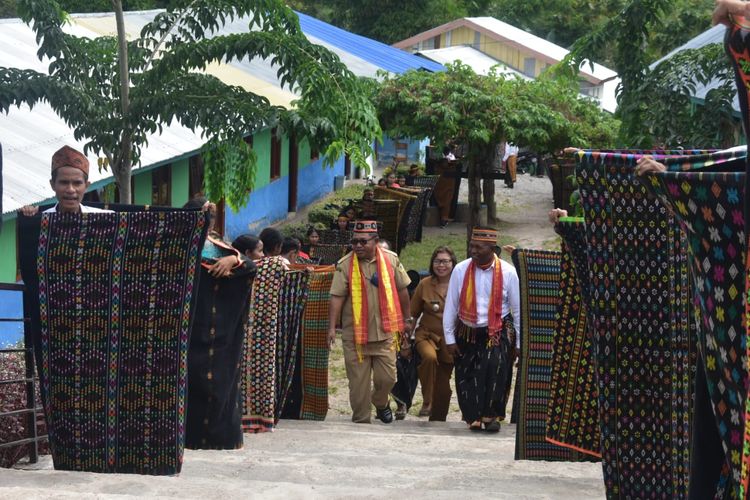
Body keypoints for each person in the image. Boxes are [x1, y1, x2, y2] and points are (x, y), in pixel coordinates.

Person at [184, 196, 257, 449]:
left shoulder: (217, 248)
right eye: (203, 217)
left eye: (210, 218)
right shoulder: (173, 246)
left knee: (216, 385)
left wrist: (233, 261)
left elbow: (248, 267)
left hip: (217, 329)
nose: (207, 223)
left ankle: (216, 438)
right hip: (183, 329)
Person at [327, 220, 412, 424]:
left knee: (388, 379)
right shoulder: (345, 264)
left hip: (385, 334)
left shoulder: (391, 260)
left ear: (375, 241)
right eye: (354, 242)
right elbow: (337, 296)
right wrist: (331, 327)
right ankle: (361, 423)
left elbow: (402, 289)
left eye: (363, 242)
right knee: (358, 387)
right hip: (355, 337)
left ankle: (380, 402)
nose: (357, 246)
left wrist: (407, 319)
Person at [443, 227, 521, 432]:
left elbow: (518, 309)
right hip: (467, 330)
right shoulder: (460, 270)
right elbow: (451, 306)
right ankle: (473, 417)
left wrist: (520, 342)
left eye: (479, 247)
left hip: (497, 330)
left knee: (496, 370)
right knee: (466, 374)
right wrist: (449, 339)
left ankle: (491, 416)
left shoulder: (508, 272)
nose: (473, 251)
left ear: (493, 248)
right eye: (472, 246)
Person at [411, 246, 457, 421]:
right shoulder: (425, 284)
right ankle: (427, 401)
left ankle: (437, 420)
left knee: (443, 389)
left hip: (450, 341)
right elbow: (413, 314)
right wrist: (407, 341)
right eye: (437, 261)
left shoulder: (460, 283)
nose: (441, 265)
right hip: (426, 335)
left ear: (453, 263)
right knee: (429, 357)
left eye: (445, 261)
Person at [19, 145, 112, 215]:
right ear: (52, 185)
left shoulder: (105, 219)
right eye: (64, 182)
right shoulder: (39, 220)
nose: (70, 189)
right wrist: (27, 215)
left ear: (86, 186)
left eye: (77, 183)